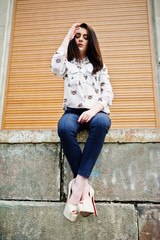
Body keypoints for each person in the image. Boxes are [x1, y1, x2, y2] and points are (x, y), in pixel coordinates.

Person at [51, 23, 114, 222]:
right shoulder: (67, 63)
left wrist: (94, 110)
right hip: (72, 111)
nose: (80, 39)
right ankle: (84, 189)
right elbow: (54, 66)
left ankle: (76, 187)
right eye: (77, 36)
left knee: (103, 123)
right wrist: (67, 35)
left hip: (95, 111)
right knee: (64, 127)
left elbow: (108, 93)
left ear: (91, 41)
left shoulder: (98, 65)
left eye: (85, 37)